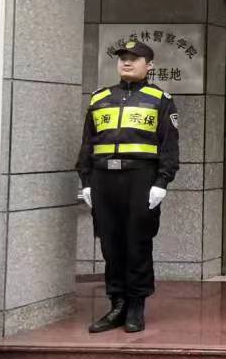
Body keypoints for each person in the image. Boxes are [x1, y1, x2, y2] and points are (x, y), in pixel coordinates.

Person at [77, 39, 180, 334]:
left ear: (149, 65)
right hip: (103, 179)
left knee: (137, 243)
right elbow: (87, 143)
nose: (127, 62)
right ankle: (117, 304)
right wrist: (86, 181)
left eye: (135, 58)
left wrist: (161, 182)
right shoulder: (100, 98)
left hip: (140, 178)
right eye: (123, 57)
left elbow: (169, 146)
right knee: (110, 244)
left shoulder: (160, 99)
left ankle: (136, 305)